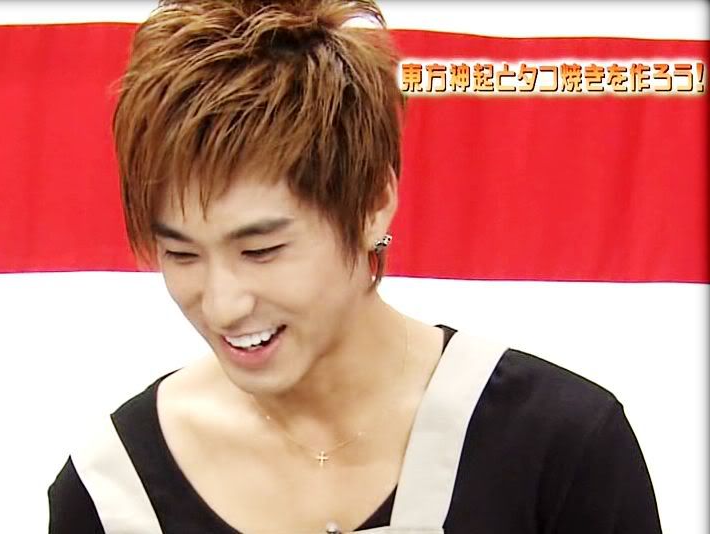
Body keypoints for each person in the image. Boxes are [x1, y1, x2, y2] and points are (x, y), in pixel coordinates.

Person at [48, 1, 662, 532]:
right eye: (181, 254)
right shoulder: (110, 490)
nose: (222, 304)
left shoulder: (561, 448)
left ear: (372, 202)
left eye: (261, 250)